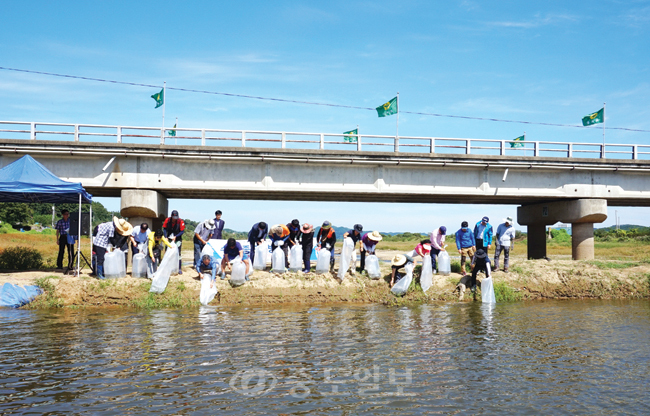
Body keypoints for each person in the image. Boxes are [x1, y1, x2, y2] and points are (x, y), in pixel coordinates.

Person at [162, 210, 185, 274]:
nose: (175, 219)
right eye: (174, 218)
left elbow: (182, 231)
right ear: (171, 216)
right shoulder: (167, 220)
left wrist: (176, 236)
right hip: (169, 238)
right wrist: (166, 237)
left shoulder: (180, 221)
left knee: (178, 253)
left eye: (176, 218)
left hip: (177, 239)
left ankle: (179, 268)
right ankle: (166, 267)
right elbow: (164, 229)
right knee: (167, 252)